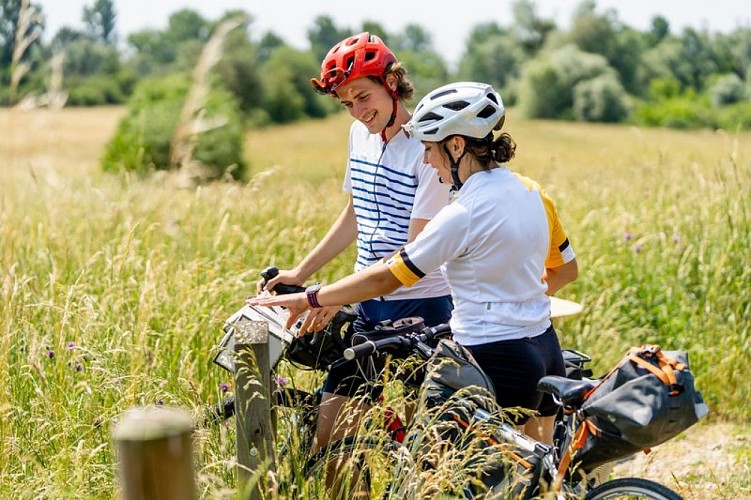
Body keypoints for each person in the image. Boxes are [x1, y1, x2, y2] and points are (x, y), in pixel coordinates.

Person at [250, 81, 579, 445]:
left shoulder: (461, 214)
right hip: (545, 349)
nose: (426, 160)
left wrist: (313, 298)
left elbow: (389, 278)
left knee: (434, 465)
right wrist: (517, 298)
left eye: (429, 149)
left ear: (456, 145)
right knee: (536, 481)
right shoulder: (534, 192)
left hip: (492, 355)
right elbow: (566, 270)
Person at [256, 32, 453, 455]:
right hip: (368, 303)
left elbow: (413, 254)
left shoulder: (427, 147)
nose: (359, 112)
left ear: (392, 83)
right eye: (347, 103)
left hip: (425, 307)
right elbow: (355, 214)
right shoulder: (358, 136)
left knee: (429, 452)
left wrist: (331, 294)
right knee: (332, 447)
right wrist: (302, 274)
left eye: (364, 96)